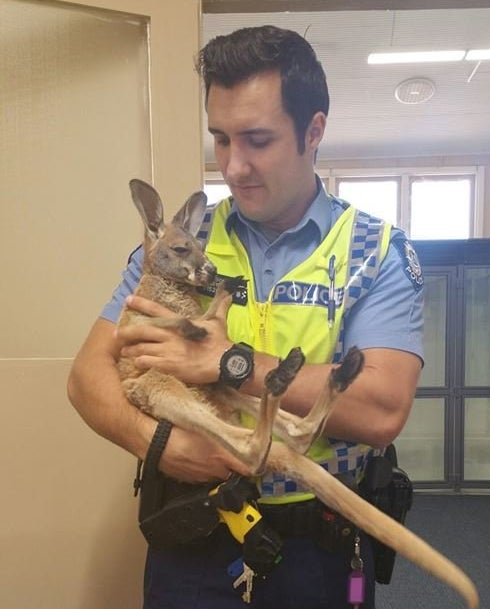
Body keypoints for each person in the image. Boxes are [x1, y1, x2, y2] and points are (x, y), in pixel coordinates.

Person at [68, 25, 423, 609]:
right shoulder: (181, 246)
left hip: (318, 542)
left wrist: (227, 362)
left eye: (257, 139)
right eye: (221, 139)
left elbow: (382, 409)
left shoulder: (375, 250)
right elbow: (86, 378)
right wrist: (158, 442)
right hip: (195, 530)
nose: (233, 166)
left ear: (314, 132)